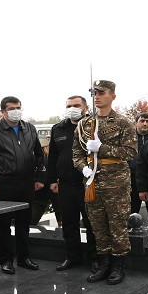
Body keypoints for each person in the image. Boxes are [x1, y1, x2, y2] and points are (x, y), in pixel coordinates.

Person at [72, 80, 137, 284]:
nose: (96, 96)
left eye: (101, 92)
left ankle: (118, 266)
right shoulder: (85, 123)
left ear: (113, 96)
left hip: (116, 183)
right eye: (94, 93)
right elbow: (76, 152)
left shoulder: (122, 122)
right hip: (92, 181)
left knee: (117, 225)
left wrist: (103, 149)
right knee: (98, 226)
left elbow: (131, 152)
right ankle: (104, 263)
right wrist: (82, 166)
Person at [0, 96, 45, 274]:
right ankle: (6, 260)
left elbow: (39, 154)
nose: (16, 111)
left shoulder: (29, 127)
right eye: (12, 108)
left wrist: (39, 177)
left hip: (27, 183)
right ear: (2, 111)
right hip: (3, 183)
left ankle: (24, 257)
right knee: (4, 224)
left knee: (24, 222)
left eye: (18, 107)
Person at [48, 95, 97, 272]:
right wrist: (52, 180)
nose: (72, 108)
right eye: (69, 105)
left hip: (87, 183)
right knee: (69, 223)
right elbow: (53, 156)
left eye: (76, 105)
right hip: (66, 185)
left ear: (85, 108)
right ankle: (72, 257)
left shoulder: (94, 126)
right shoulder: (58, 129)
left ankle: (94, 259)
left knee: (92, 224)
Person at [129, 112, 148, 228]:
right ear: (136, 123)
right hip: (131, 182)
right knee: (130, 213)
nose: (145, 124)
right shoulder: (129, 138)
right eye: (142, 121)